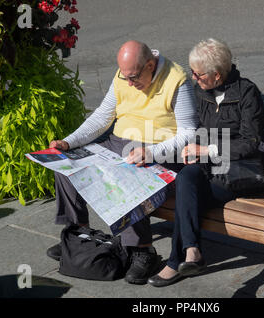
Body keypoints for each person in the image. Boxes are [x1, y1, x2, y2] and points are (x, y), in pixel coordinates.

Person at [47, 40, 198, 285]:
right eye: (125, 77)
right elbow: (102, 117)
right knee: (65, 166)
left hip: (157, 151)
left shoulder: (177, 79)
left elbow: (189, 134)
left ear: (150, 65)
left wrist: (152, 153)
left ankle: (143, 250)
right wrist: (69, 142)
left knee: (126, 177)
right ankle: (79, 235)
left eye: (134, 77)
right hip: (118, 143)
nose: (128, 83)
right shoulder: (125, 74)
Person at [147, 38, 264, 287]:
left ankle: (175, 262)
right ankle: (191, 251)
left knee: (185, 195)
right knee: (185, 179)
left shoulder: (247, 93)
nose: (193, 78)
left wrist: (209, 150)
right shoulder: (202, 91)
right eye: (192, 72)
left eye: (198, 74)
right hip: (207, 167)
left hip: (236, 172)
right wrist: (190, 148)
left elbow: (251, 142)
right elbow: (199, 128)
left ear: (217, 74)